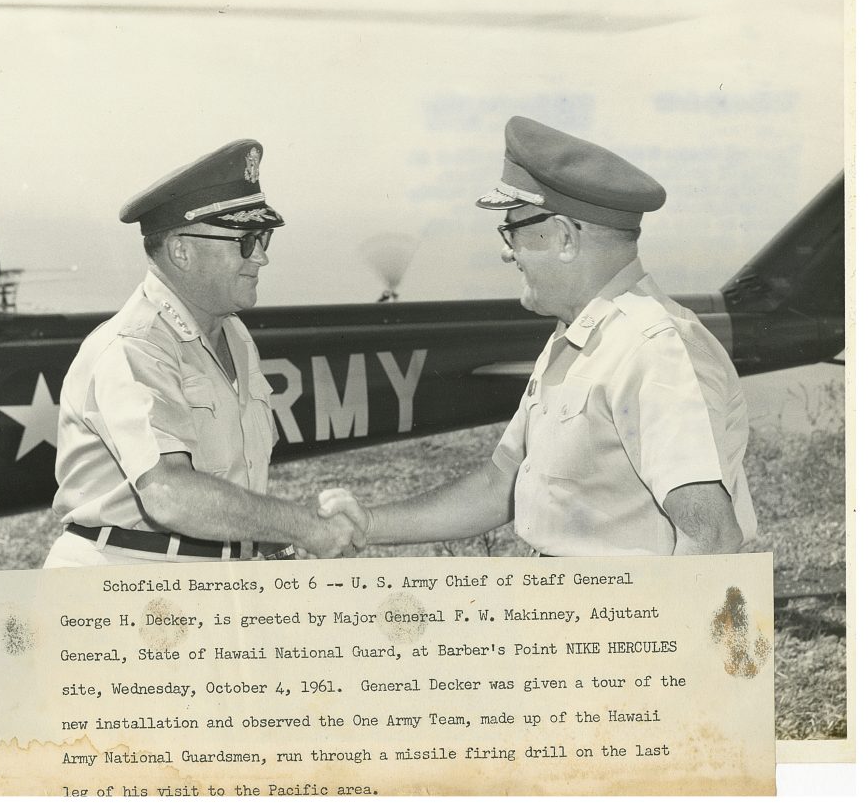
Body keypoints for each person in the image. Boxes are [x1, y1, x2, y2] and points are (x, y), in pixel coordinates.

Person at [319, 117, 757, 556]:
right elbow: (499, 484)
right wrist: (369, 524)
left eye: (513, 231)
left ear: (564, 238)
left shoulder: (653, 349)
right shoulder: (578, 337)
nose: (506, 251)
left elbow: (712, 537)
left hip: (615, 602)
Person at [43, 139, 361, 567]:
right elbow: (169, 493)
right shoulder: (135, 346)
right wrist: (304, 527)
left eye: (263, 238)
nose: (261, 258)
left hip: (209, 574)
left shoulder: (232, 334)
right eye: (245, 241)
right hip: (125, 575)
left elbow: (229, 485)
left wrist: (267, 540)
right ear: (181, 251)